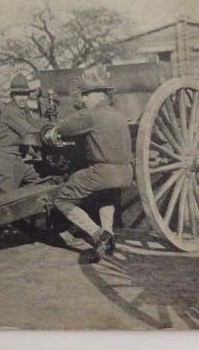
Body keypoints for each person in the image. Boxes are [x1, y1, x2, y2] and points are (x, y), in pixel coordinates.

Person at [51, 69, 133, 263]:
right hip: (126, 173)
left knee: (62, 199)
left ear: (96, 96)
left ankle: (99, 235)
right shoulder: (119, 115)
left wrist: (59, 126)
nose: (84, 100)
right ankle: (109, 239)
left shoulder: (91, 115)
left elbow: (64, 129)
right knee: (106, 197)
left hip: (103, 172)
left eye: (85, 96)